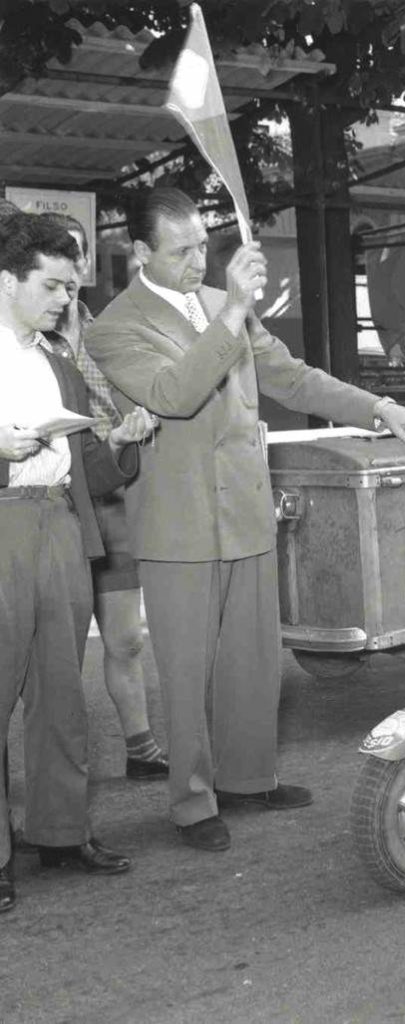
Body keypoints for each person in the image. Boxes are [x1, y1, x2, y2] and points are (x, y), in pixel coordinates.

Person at [85, 187, 405, 853]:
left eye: (202, 244)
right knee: (187, 670)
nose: (199, 260)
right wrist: (232, 312)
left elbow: (293, 379)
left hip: (248, 512)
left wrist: (379, 409)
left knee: (253, 663)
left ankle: (249, 779)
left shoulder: (221, 308)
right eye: (181, 251)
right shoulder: (115, 326)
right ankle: (192, 802)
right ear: (139, 252)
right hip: (179, 526)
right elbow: (174, 393)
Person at [0, 213, 155, 914]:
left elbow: (89, 467)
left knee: (61, 691)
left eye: (70, 286)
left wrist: (119, 439)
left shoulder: (59, 360)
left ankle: (60, 833)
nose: (66, 299)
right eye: (53, 285)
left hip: (60, 525)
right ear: (8, 280)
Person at [39, 211, 168, 780]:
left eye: (78, 253)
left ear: (87, 262)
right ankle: (60, 777)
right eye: (58, 255)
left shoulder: (106, 327)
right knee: (53, 653)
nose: (71, 268)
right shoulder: (22, 339)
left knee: (127, 637)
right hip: (60, 501)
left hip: (115, 495)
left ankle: (140, 750)